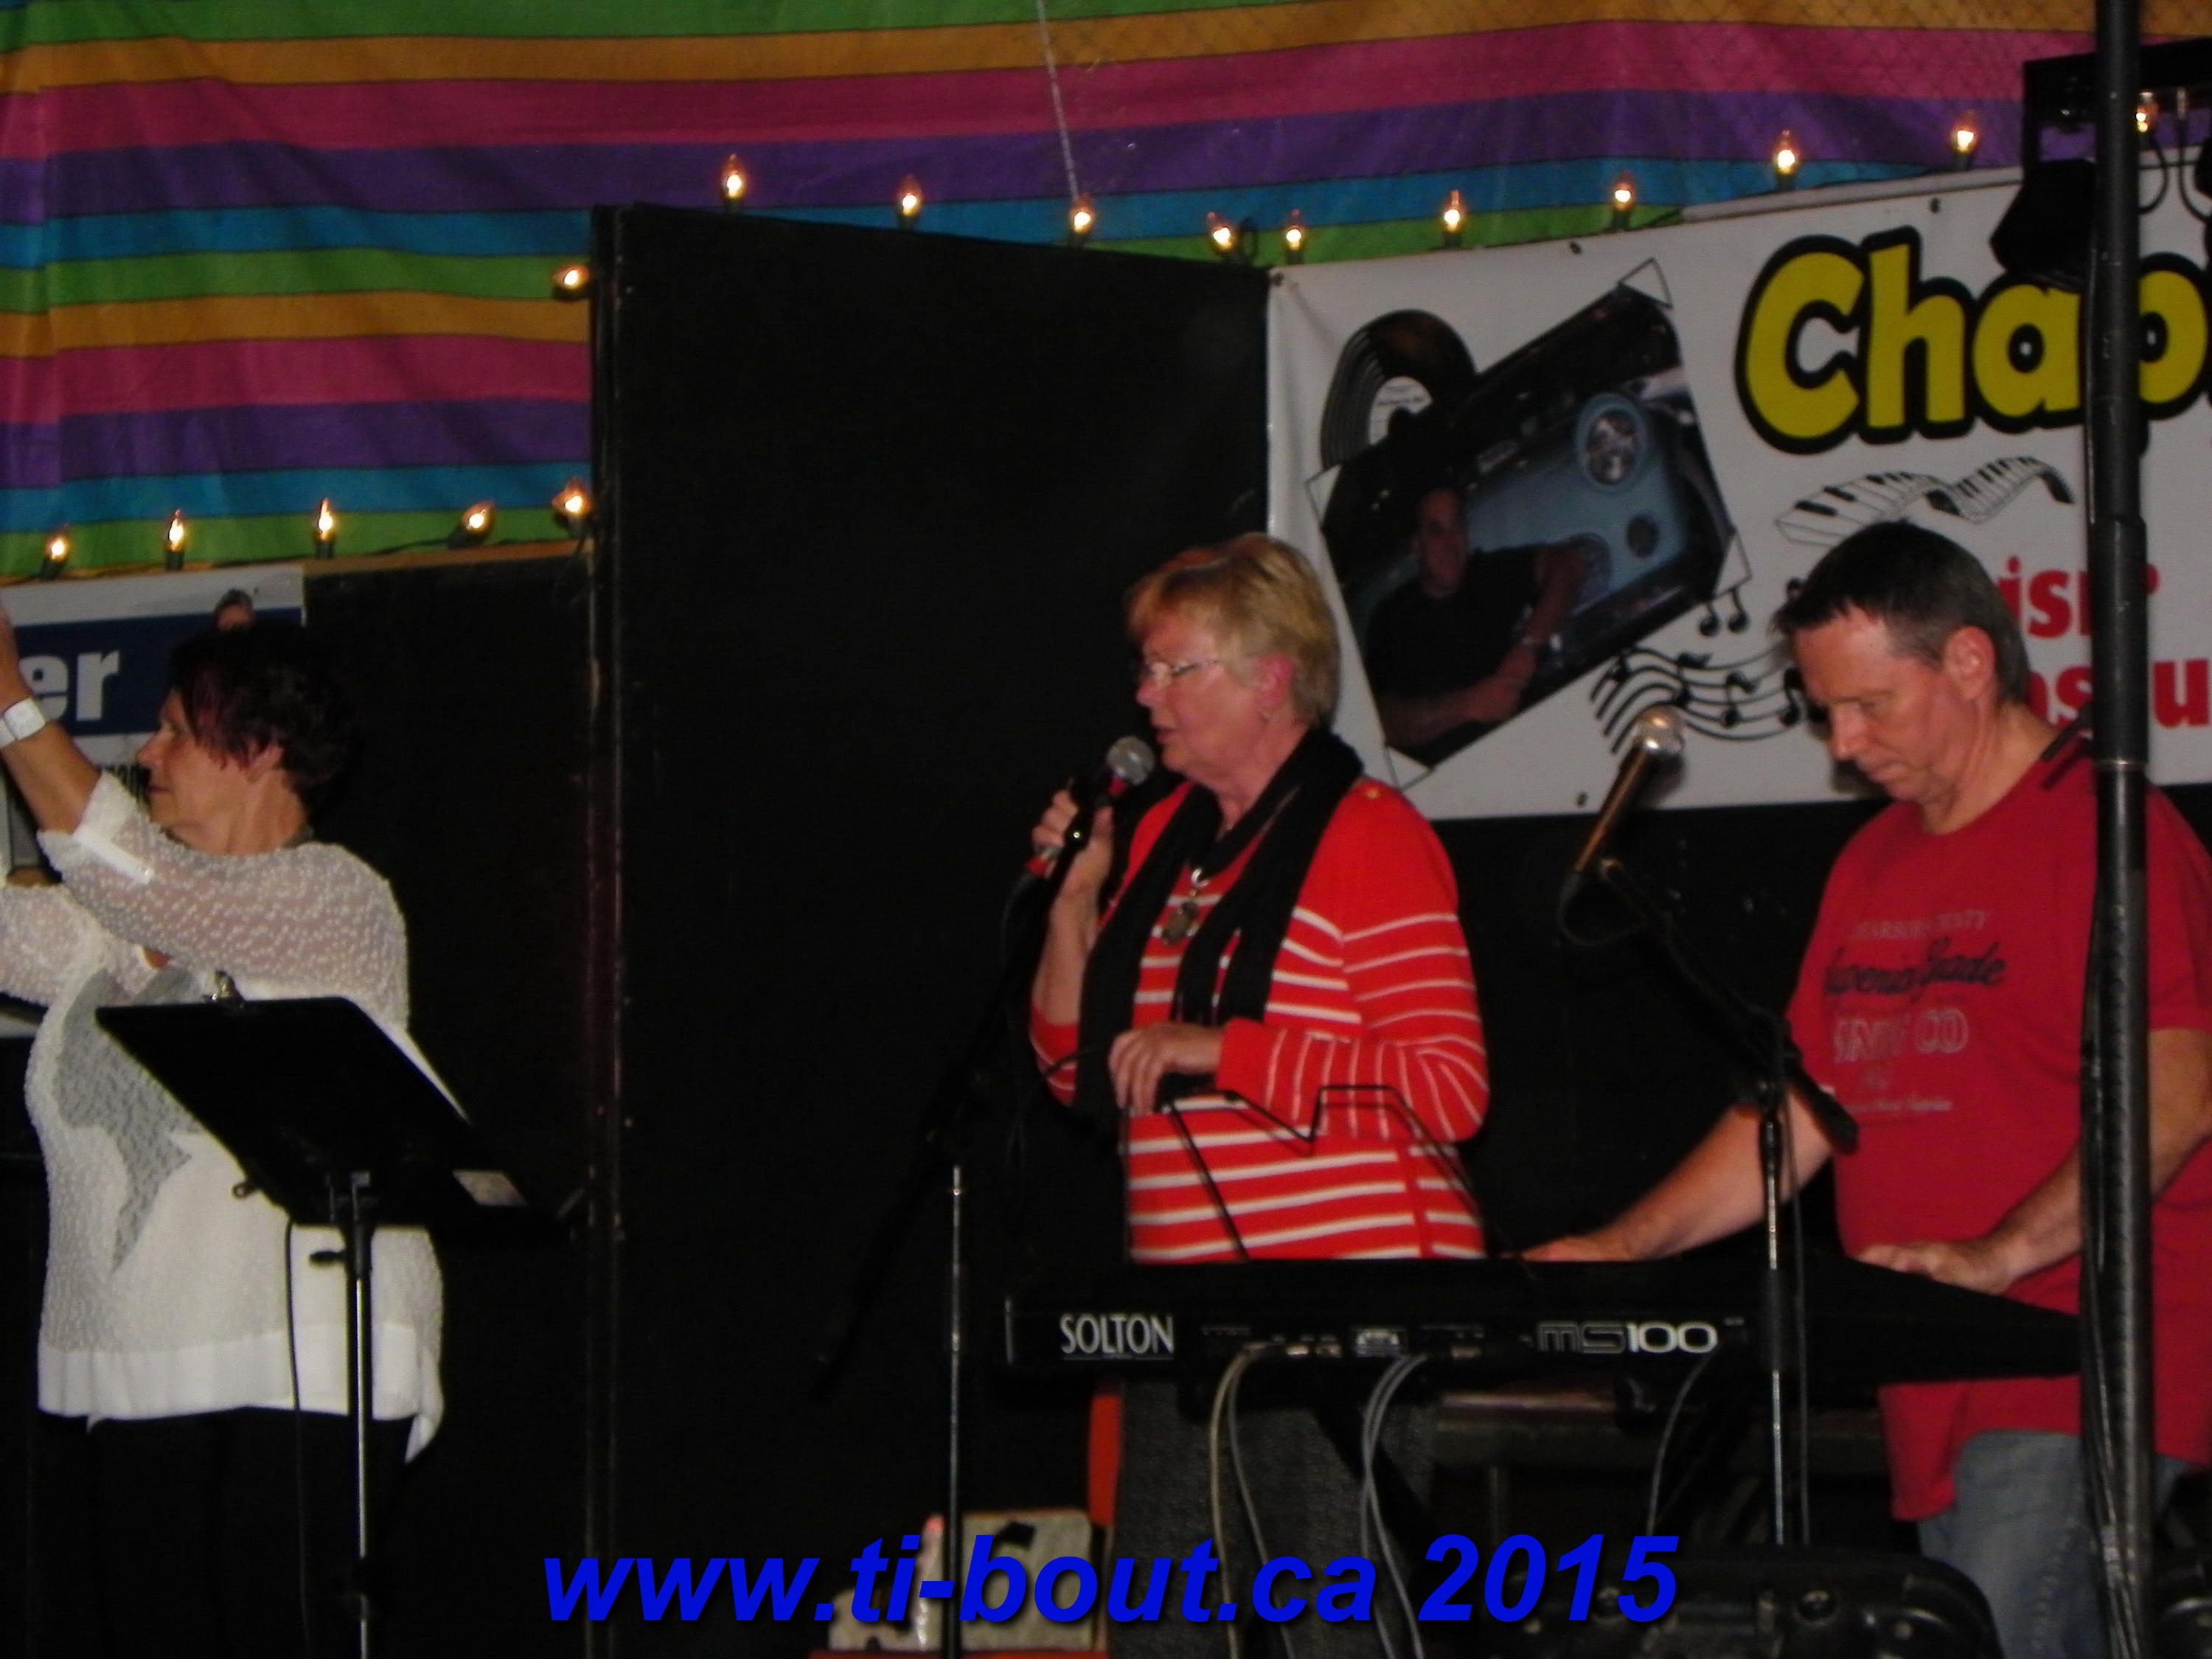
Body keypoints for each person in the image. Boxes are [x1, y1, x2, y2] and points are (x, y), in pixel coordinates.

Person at [1528, 521, 2212, 1659]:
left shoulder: (2108, 831)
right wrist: (1621, 1245)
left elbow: (2175, 1098)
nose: (1843, 745)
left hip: (2071, 1359)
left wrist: (1997, 1252)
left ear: (1970, 662)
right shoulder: (1874, 859)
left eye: (1869, 705)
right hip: (1934, 1368)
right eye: (1825, 712)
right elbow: (1800, 1105)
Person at [1029, 532, 1486, 1658]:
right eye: (1145, 668)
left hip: (1351, 1314)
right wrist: (1074, 902)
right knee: (1160, 1638)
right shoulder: (1159, 846)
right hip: (1189, 1320)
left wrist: (1228, 1051)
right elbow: (1077, 1070)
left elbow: (1450, 1086)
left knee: (1339, 1637)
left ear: (1271, 677)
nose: (1146, 695)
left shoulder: (1369, 834)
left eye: (1174, 668)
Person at [0, 613, 441, 1657]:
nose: (146, 754)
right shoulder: (104, 928)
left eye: (173, 732)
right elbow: (100, 888)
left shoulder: (333, 897)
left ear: (261, 751)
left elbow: (137, 873)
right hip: (136, 1349)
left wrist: (10, 699)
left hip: (301, 1347)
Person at [1366, 484, 1586, 764]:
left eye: (1456, 526)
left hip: (1534, 743)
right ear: (1416, 546)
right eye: (1436, 531)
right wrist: (1469, 704)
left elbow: (1569, 564)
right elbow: (1382, 723)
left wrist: (1528, 646)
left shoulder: (1489, 575)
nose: (1450, 543)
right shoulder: (1392, 621)